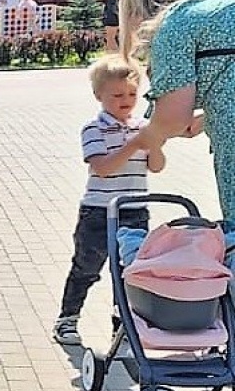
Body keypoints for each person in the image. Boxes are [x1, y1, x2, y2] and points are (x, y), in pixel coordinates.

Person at [52, 56, 163, 346]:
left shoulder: (143, 127)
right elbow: (101, 167)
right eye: (117, 95)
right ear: (99, 96)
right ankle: (67, 319)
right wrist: (133, 145)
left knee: (129, 272)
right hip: (99, 211)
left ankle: (123, 328)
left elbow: (157, 165)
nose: (125, 100)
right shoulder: (94, 128)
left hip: (134, 211)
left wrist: (152, 143)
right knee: (87, 266)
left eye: (131, 94)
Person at [118, 0, 232, 216]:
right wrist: (209, 117)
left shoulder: (176, 22)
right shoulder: (222, 5)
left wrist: (152, 134)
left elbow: (173, 118)